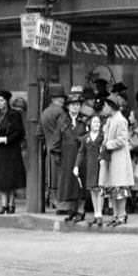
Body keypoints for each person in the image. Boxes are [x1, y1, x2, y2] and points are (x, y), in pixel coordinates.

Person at [98, 96, 134, 226]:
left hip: (119, 158)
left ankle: (122, 214)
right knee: (112, 187)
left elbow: (122, 139)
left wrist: (108, 144)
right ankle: (115, 214)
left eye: (106, 105)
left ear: (111, 106)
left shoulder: (121, 120)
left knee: (120, 187)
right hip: (110, 158)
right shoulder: (110, 120)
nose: (104, 108)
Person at [0, 90, 26, 214]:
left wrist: (7, 139)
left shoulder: (14, 114)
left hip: (11, 149)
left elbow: (19, 132)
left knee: (11, 178)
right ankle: (3, 204)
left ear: (6, 101)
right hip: (0, 150)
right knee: (2, 178)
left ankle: (11, 204)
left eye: (2, 100)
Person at [57, 89, 87, 222]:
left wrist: (81, 140)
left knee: (81, 183)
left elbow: (88, 137)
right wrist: (57, 155)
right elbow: (56, 139)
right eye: (73, 104)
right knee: (69, 183)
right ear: (68, 106)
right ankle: (71, 210)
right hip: (67, 157)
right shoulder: (63, 120)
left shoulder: (84, 120)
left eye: (78, 105)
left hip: (81, 157)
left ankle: (81, 210)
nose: (76, 107)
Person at [37, 84, 67, 210]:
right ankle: (60, 203)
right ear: (60, 99)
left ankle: (53, 200)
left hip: (49, 148)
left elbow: (39, 133)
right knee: (61, 177)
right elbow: (63, 131)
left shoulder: (44, 113)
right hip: (60, 149)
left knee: (52, 177)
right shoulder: (61, 112)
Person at [74, 114, 105, 226]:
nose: (96, 124)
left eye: (98, 122)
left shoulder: (103, 137)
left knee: (100, 189)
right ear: (90, 124)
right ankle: (96, 213)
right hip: (90, 166)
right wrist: (76, 166)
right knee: (92, 190)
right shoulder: (85, 138)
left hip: (100, 166)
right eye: (94, 122)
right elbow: (81, 153)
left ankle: (100, 214)